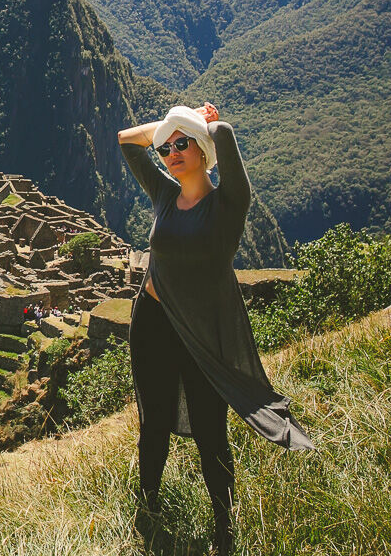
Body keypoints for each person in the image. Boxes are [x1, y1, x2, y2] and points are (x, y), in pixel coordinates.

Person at [119, 102, 314, 555]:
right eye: (166, 148)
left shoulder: (229, 204)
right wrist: (170, 128)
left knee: (211, 431)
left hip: (203, 335)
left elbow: (224, 134)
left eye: (181, 145)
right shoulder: (165, 195)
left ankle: (225, 528)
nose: (171, 153)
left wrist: (202, 124)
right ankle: (148, 508)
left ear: (203, 150)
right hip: (152, 323)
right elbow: (127, 142)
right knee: (154, 421)